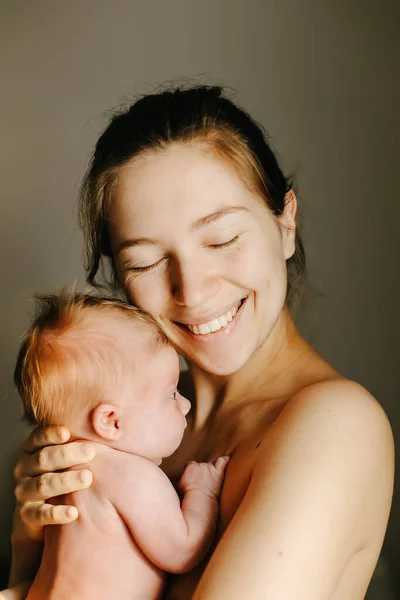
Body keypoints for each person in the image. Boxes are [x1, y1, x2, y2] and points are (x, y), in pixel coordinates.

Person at [5, 85, 394, 600]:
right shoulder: (121, 427)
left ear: (285, 223)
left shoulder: (335, 424)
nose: (191, 289)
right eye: (145, 262)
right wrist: (29, 548)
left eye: (222, 239)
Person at [12, 291, 229, 600]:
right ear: (112, 421)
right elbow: (183, 550)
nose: (185, 404)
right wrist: (201, 492)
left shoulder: (64, 476)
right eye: (171, 395)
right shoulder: (131, 476)